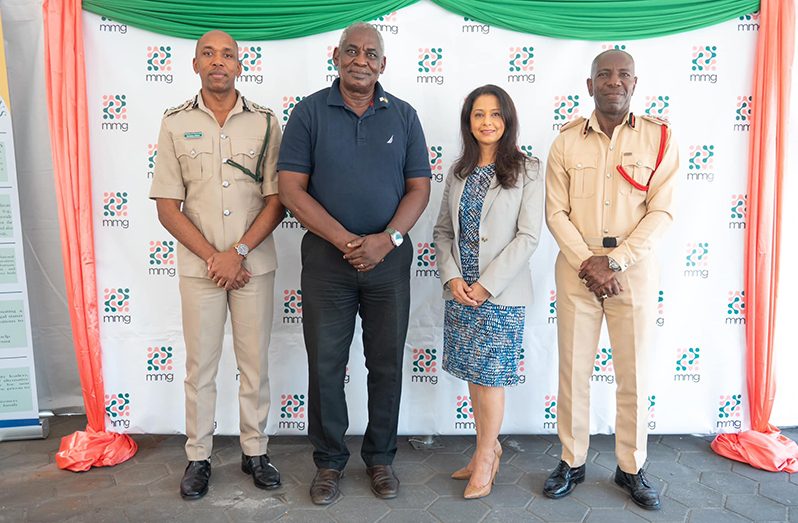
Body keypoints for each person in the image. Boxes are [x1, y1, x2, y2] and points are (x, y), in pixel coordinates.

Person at [277, 22, 431, 505]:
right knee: (326, 365)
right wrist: (347, 241)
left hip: (388, 262)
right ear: (336, 57)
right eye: (351, 51)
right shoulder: (308, 113)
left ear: (382, 64)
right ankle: (328, 463)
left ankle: (381, 457)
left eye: (370, 53)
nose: (360, 59)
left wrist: (388, 239)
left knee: (385, 364)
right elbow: (289, 190)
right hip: (327, 262)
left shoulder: (404, 116)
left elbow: (419, 188)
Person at [149, 30, 284, 500]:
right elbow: (167, 206)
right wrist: (214, 258)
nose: (218, 61)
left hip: (252, 267)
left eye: (227, 54)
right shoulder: (173, 123)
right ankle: (198, 457)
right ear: (195, 64)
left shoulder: (267, 122)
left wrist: (239, 253)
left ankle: (255, 450)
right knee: (199, 367)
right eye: (208, 53)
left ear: (240, 65)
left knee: (254, 365)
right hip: (200, 271)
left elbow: (277, 200)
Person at [543, 49, 678, 510]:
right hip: (578, 267)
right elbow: (555, 212)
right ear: (590, 85)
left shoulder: (659, 138)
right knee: (573, 370)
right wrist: (589, 262)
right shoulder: (565, 142)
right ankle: (572, 460)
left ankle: (631, 467)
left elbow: (662, 211)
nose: (613, 81)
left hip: (633, 270)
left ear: (635, 85)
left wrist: (615, 262)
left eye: (623, 75)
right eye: (604, 74)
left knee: (634, 373)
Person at [433, 85, 543, 500]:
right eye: (478, 114)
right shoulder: (458, 171)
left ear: (507, 120)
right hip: (461, 293)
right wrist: (452, 279)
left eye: (495, 114)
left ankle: (484, 459)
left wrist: (485, 285)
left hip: (500, 295)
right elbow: (443, 231)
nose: (487, 122)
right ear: (469, 121)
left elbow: (528, 237)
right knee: (474, 377)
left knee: (491, 377)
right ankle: (488, 447)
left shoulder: (528, 169)